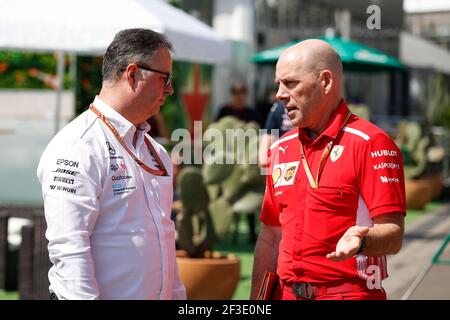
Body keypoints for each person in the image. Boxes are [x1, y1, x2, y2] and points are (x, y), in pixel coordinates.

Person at [37, 28, 186, 300]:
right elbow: (70, 247)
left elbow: (164, 238)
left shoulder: (156, 152)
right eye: (165, 78)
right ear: (132, 74)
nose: (170, 89)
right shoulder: (78, 145)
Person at [250, 39, 406, 300]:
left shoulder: (371, 143)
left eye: (290, 83)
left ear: (325, 81)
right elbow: (270, 236)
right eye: (278, 84)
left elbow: (394, 233)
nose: (279, 94)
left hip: (348, 294)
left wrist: (363, 242)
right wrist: (256, 299)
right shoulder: (280, 149)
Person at [215, 81, 260, 243]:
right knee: (224, 195)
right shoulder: (224, 111)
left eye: (241, 91)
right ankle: (222, 230)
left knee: (248, 194)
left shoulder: (251, 113)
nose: (238, 95)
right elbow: (216, 132)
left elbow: (257, 137)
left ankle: (252, 233)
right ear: (232, 94)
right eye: (235, 91)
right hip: (226, 162)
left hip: (245, 163)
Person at [258, 86, 294, 168]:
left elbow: (263, 160)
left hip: (282, 162)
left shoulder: (277, 107)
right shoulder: (277, 108)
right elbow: (268, 135)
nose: (278, 95)